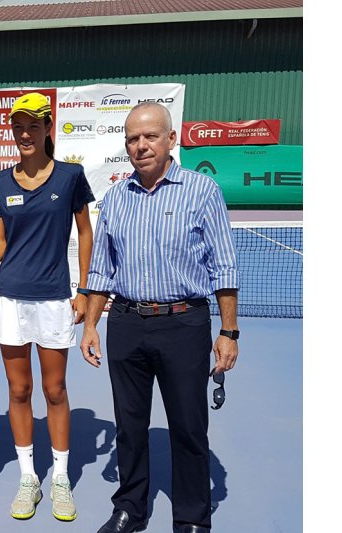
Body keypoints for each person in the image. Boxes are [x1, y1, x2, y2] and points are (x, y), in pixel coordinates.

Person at [80, 102, 239, 533]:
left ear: (172, 139)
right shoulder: (115, 198)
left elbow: (223, 266)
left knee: (188, 427)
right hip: (127, 325)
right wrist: (92, 324)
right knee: (129, 426)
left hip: (183, 324)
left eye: (150, 136)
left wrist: (228, 331)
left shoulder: (201, 191)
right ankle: (129, 508)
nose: (141, 145)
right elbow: (101, 270)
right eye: (133, 138)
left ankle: (190, 518)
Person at [0, 92, 95, 522]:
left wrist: (83, 290)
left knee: (55, 390)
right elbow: (0, 246)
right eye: (18, 127)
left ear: (48, 128)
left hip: (53, 301)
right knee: (19, 391)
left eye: (33, 126)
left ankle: (60, 478)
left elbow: (85, 233)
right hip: (9, 300)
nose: (25, 134)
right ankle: (29, 478)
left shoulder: (70, 177)